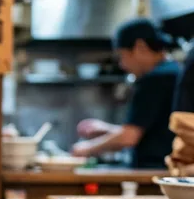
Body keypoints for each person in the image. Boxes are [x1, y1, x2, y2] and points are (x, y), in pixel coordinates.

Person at [72, 19, 179, 168]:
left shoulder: (156, 78)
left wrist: (86, 149)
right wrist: (106, 129)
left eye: (122, 56)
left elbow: (129, 137)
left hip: (155, 171)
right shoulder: (173, 71)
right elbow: (152, 131)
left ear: (140, 47)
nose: (122, 65)